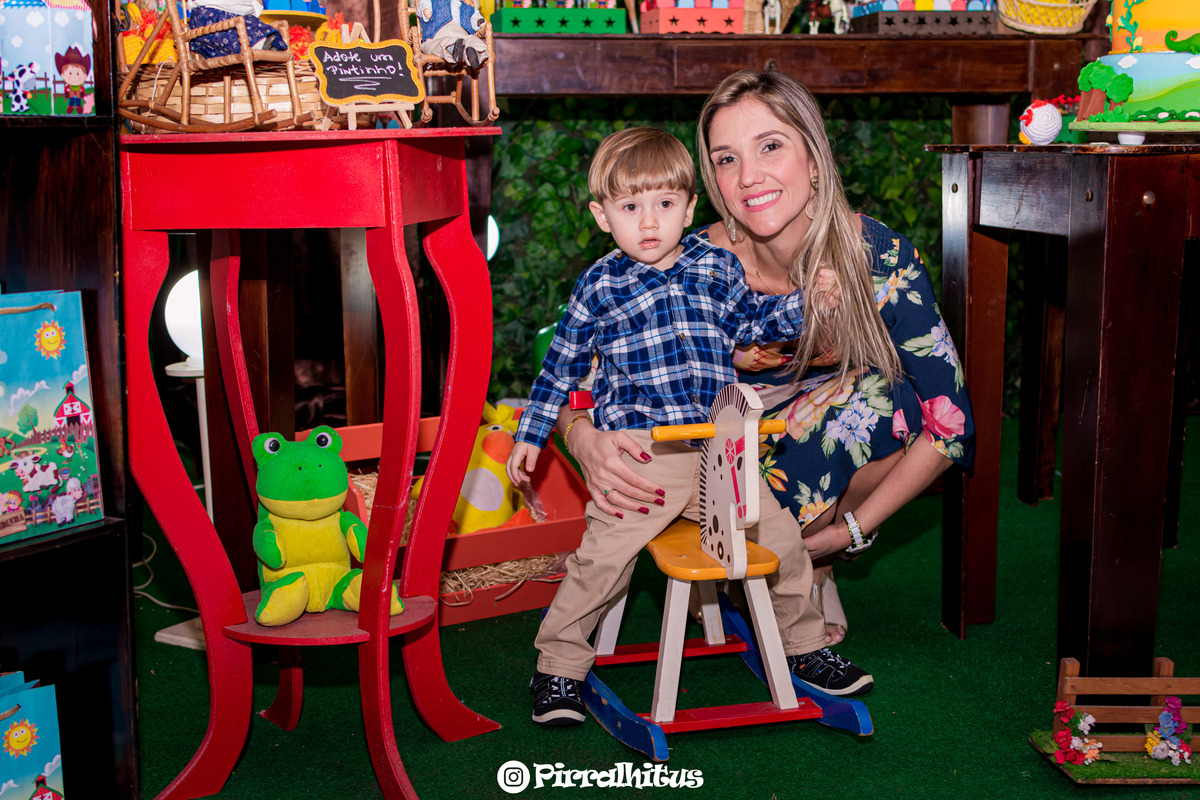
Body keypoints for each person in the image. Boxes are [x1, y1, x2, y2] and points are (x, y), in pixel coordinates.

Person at [558, 69, 975, 647]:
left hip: (814, 457)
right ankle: (737, 560)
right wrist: (581, 437)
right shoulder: (687, 260)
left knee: (885, 399)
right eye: (726, 159)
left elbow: (951, 425)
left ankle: (812, 565)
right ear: (711, 180)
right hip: (710, 459)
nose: (749, 177)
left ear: (814, 155)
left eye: (770, 146)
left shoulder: (876, 256)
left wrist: (852, 531)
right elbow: (573, 374)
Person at [508, 126, 873, 727]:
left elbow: (756, 320)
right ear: (603, 216)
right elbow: (562, 366)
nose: (649, 222)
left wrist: (812, 298)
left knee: (781, 541)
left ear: (689, 206)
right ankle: (558, 667)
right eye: (630, 208)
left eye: (665, 204)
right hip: (643, 459)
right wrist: (532, 432)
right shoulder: (599, 286)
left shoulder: (716, 268)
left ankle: (806, 648)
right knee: (600, 561)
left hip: (719, 454)